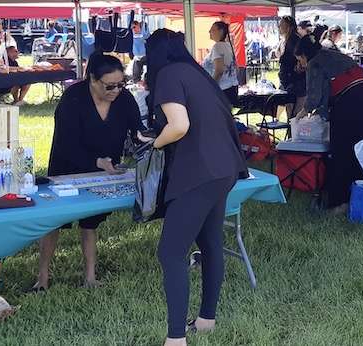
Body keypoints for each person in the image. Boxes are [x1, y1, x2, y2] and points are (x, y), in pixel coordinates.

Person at [145, 29, 247, 346]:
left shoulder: (168, 75)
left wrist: (154, 145)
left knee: (171, 252)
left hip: (199, 171)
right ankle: (206, 320)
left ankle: (176, 338)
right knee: (210, 242)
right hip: (225, 167)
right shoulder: (197, 74)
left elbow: (179, 126)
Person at [34, 52, 146, 290]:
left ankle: (90, 277)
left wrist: (151, 142)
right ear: (93, 80)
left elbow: (138, 132)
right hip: (67, 167)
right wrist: (98, 161)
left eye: (121, 84)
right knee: (54, 223)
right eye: (110, 86)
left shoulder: (125, 99)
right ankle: (42, 278)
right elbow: (65, 144)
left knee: (90, 223)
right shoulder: (73, 98)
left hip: (103, 171)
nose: (116, 90)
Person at [294, 35, 363, 210]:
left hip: (351, 103)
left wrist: (301, 114)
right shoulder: (335, 55)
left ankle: (340, 201)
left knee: (341, 153)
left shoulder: (314, 63)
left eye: (300, 60)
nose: (301, 65)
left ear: (304, 55)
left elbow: (314, 98)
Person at [203, 21, 239, 104]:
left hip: (222, 89)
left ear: (221, 31)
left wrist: (212, 86)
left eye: (212, 29)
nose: (209, 31)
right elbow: (237, 69)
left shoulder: (217, 46)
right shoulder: (228, 46)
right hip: (232, 87)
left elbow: (219, 70)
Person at [277, 16, 306, 116]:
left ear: (289, 27)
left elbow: (301, 58)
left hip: (296, 83)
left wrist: (300, 66)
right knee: (290, 112)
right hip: (290, 82)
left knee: (295, 114)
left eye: (282, 25)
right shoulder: (287, 40)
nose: (279, 27)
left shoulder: (294, 40)